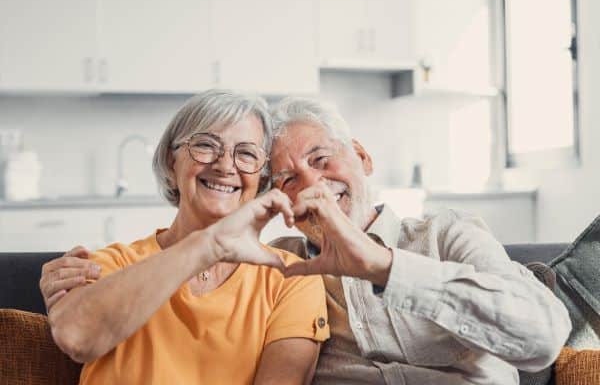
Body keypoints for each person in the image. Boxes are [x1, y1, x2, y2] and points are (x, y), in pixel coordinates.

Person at [42, 96, 571, 385]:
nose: (313, 184)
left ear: (361, 157)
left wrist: (385, 266)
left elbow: (542, 339)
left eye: (322, 160)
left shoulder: (446, 235)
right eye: (290, 178)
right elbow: (82, 332)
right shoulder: (288, 268)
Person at [42, 90, 329, 385]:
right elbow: (76, 336)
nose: (225, 166)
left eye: (245, 153)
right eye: (206, 145)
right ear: (171, 161)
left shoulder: (291, 279)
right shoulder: (114, 263)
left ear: (261, 179)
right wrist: (207, 245)